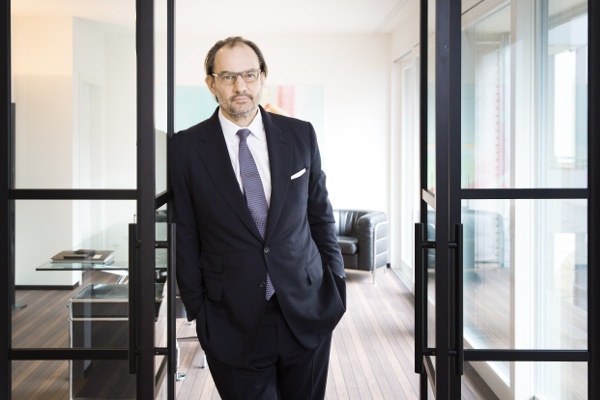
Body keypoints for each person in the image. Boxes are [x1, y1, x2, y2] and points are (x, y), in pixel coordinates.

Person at [169, 36, 346, 400]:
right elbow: (185, 234)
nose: (241, 87)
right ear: (211, 82)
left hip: (307, 307)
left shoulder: (300, 135)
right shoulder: (185, 148)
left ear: (263, 76)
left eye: (249, 74)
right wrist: (199, 310)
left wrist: (336, 279)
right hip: (229, 318)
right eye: (229, 76)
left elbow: (320, 216)